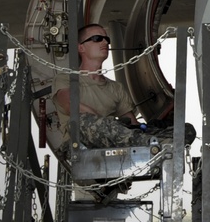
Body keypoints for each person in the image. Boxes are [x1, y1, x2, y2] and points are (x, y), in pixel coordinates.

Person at [52, 23, 161, 151]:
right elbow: (71, 105)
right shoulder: (66, 79)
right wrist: (108, 123)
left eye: (107, 39)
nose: (105, 42)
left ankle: (150, 142)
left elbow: (131, 122)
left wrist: (141, 128)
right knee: (84, 121)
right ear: (81, 48)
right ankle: (147, 144)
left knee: (184, 130)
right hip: (78, 145)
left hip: (113, 141)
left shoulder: (115, 88)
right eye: (97, 38)